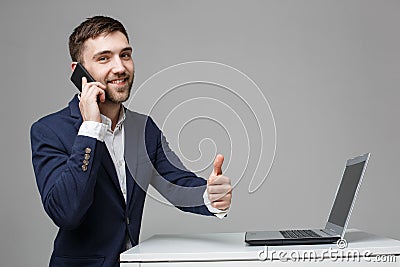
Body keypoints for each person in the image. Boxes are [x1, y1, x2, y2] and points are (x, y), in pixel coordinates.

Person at [30, 15, 232, 267]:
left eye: (125, 55)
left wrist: (211, 196)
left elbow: (176, 185)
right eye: (104, 58)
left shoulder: (144, 128)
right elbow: (66, 213)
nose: (120, 68)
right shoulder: (48, 131)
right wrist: (91, 129)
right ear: (78, 71)